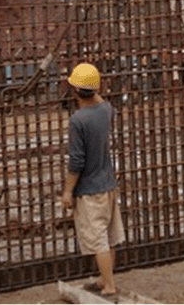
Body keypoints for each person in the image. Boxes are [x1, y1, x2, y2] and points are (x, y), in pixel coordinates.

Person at [60, 62, 125, 297]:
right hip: (108, 183)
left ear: (75, 90)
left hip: (89, 189)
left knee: (98, 240)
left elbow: (76, 161)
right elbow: (101, 100)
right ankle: (106, 278)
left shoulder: (78, 120)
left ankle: (109, 285)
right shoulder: (106, 111)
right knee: (109, 236)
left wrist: (68, 192)